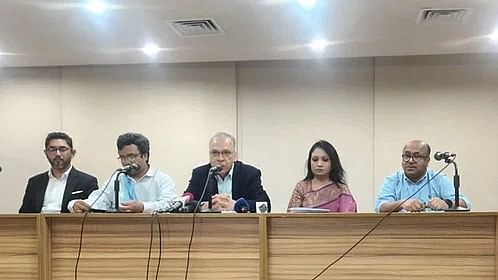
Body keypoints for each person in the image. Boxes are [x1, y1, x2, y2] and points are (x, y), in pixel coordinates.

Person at [69, 133, 177, 213]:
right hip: (121, 232)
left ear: (145, 156)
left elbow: (169, 204)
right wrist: (75, 204)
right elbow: (100, 199)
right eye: (122, 157)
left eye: (131, 156)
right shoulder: (117, 178)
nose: (126, 162)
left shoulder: (162, 179)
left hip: (153, 232)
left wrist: (143, 207)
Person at [375, 140, 471, 212]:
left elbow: (465, 203)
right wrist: (402, 203)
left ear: (427, 160)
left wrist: (447, 203)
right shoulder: (392, 181)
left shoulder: (439, 179)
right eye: (407, 156)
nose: (411, 161)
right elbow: (380, 206)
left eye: (417, 156)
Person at [185, 132, 271, 213]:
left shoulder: (249, 173)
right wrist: (203, 206)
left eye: (226, 153)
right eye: (215, 153)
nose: (220, 158)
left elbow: (265, 206)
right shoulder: (200, 174)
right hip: (208, 226)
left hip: (240, 226)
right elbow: (184, 203)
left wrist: (237, 206)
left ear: (235, 156)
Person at [19, 132, 98, 213]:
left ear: (72, 153)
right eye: (52, 149)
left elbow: (93, 212)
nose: (57, 154)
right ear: (46, 153)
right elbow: (25, 214)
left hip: (69, 224)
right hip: (39, 224)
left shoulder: (87, 181)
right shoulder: (35, 182)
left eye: (63, 149)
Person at [287, 140, 357, 212]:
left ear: (333, 163)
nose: (319, 164)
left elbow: (348, 219)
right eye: (315, 160)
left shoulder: (341, 189)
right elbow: (290, 218)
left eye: (325, 160)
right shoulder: (301, 188)